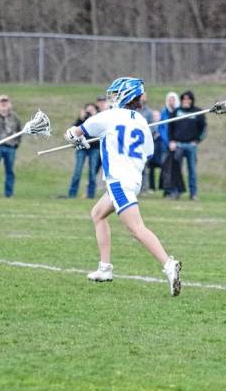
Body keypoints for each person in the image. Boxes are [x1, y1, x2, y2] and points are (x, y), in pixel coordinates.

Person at [64, 77, 182, 296]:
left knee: (136, 229)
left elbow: (76, 132)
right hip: (133, 179)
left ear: (126, 96)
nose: (113, 98)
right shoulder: (141, 122)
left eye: (116, 94)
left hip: (118, 180)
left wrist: (74, 138)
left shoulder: (109, 116)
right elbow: (148, 152)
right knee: (98, 213)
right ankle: (105, 269)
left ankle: (168, 264)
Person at [168, 90, 207, 200]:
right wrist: (171, 141)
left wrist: (197, 140)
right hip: (178, 145)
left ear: (191, 100)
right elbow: (170, 128)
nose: (186, 101)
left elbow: (204, 129)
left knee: (192, 171)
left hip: (191, 146)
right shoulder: (176, 112)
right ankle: (176, 192)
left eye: (188, 99)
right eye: (184, 99)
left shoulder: (198, 112)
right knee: (176, 170)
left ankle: (193, 194)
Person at [67, 103, 100, 199]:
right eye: (87, 110)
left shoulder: (99, 118)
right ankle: (72, 194)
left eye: (91, 110)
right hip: (81, 147)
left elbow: (99, 130)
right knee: (77, 171)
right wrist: (80, 119)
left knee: (92, 171)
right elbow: (73, 131)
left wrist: (95, 116)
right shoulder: (82, 120)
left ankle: (90, 195)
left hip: (94, 148)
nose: (89, 112)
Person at [159, 92, 183, 199]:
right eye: (170, 99)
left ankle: (176, 189)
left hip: (176, 145)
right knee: (165, 168)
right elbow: (162, 128)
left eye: (173, 99)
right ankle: (167, 190)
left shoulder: (179, 112)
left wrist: (175, 141)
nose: (171, 101)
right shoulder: (164, 112)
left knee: (176, 168)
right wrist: (167, 142)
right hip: (166, 145)